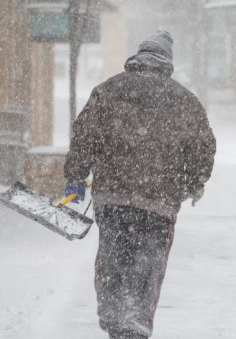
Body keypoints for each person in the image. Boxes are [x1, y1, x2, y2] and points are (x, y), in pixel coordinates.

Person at [63, 30, 216, 339]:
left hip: (113, 198)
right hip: (158, 204)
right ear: (167, 63)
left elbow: (84, 135)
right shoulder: (185, 100)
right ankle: (135, 322)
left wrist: (76, 176)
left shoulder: (108, 90)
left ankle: (112, 312)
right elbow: (203, 149)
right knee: (149, 267)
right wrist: (191, 182)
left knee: (112, 259)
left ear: (138, 57)